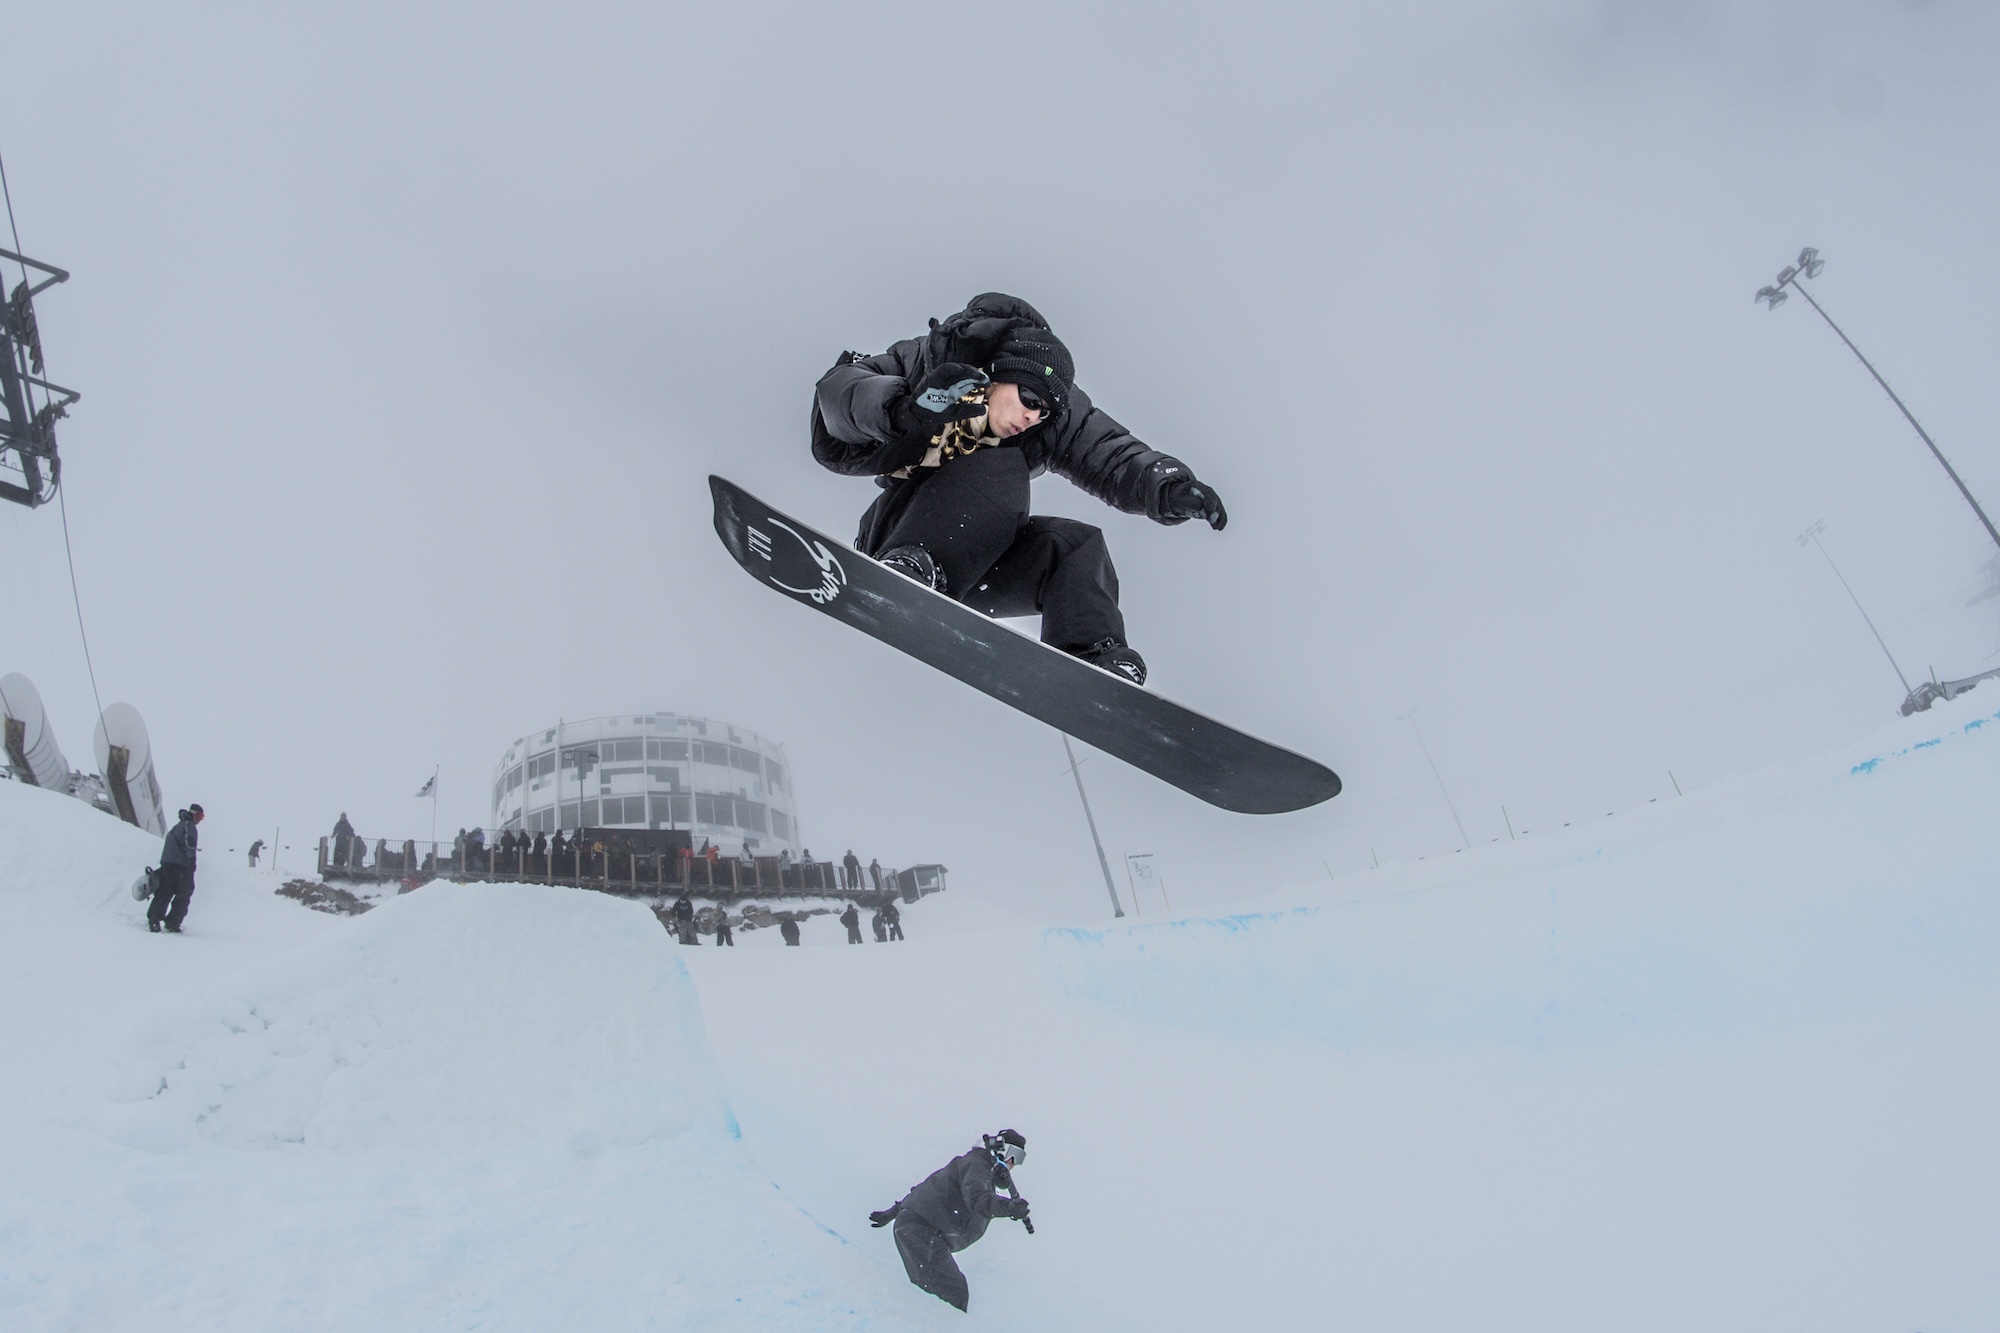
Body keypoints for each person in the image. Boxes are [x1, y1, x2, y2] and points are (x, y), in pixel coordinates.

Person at [812, 293, 1228, 686]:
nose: (1032, 416)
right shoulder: (927, 362)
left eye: (1044, 411)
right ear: (997, 375)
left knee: (1075, 545)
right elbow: (841, 390)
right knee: (997, 464)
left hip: (975, 562)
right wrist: (903, 409)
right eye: (1028, 398)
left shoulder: (1049, 417)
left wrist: (1169, 485)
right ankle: (918, 566)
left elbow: (1109, 452)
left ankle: (1091, 657)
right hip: (898, 535)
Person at [868, 1130, 1030, 1312]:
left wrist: (895, 1211)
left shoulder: (976, 1166)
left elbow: (929, 1186)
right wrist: (1009, 1208)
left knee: (942, 1296)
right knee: (953, 1293)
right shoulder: (977, 1166)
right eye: (1013, 1155)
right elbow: (978, 1200)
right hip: (922, 1230)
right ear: (1000, 1150)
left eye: (1020, 1158)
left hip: (921, 1231)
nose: (1013, 1164)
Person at [149, 803, 204, 934]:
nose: (200, 820)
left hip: (167, 866)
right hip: (181, 867)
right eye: (200, 816)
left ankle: (154, 919)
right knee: (184, 894)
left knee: (164, 892)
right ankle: (173, 922)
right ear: (193, 814)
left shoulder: (177, 827)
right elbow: (189, 843)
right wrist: (191, 860)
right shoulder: (189, 826)